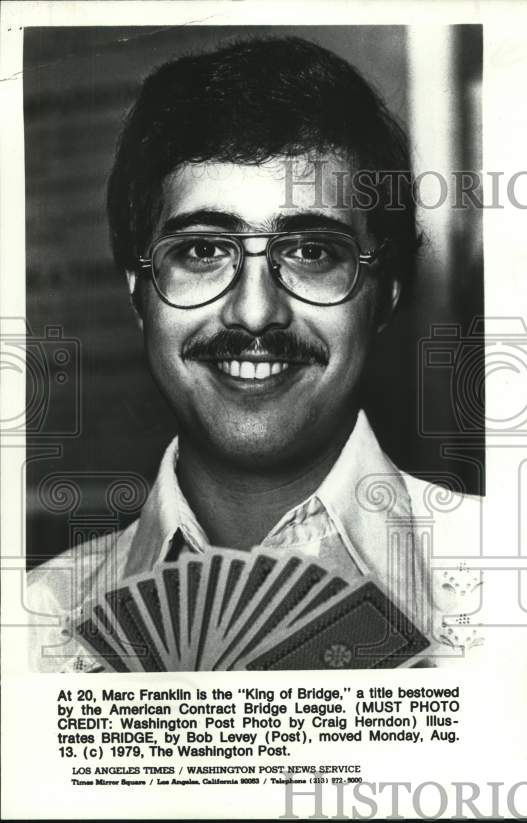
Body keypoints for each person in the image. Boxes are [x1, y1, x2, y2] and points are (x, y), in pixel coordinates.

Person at [26, 37, 481, 672]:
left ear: (385, 297)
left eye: (312, 252)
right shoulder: (30, 630)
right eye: (204, 251)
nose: (255, 312)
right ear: (138, 291)